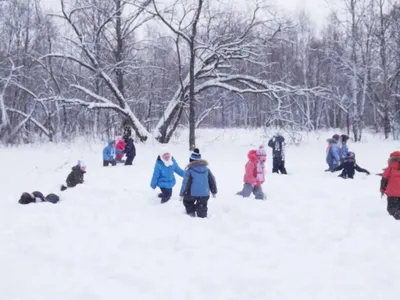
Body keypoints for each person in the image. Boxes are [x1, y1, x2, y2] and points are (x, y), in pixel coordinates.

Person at [179, 149, 217, 218]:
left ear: (190, 160)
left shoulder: (189, 171)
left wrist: (182, 194)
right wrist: (214, 191)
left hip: (192, 194)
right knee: (202, 204)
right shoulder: (207, 169)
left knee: (188, 202)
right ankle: (202, 215)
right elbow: (212, 180)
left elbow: (185, 183)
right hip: (204, 193)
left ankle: (191, 214)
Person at [380, 151, 400, 220]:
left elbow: (384, 180)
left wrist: (382, 190)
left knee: (392, 208)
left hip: (392, 192)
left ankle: (394, 221)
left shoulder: (389, 169)